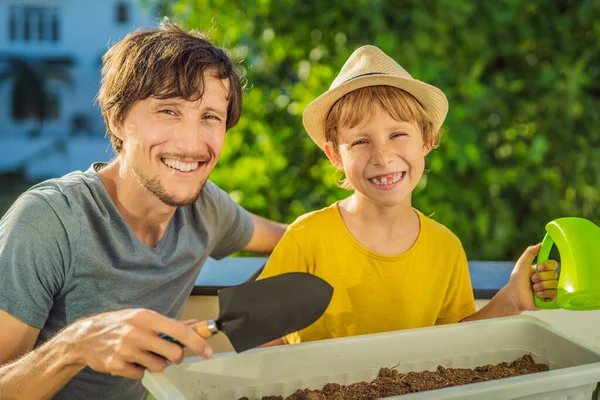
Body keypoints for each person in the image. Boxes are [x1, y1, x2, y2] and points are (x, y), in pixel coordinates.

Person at [0, 20, 285, 400]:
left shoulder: (206, 209)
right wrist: (74, 347)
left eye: (210, 117)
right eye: (168, 111)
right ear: (117, 119)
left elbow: (294, 237)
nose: (191, 143)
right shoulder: (49, 221)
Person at [258, 45, 558, 345]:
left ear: (427, 139)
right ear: (334, 155)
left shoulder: (446, 249)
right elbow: (259, 336)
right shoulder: (306, 238)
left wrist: (512, 300)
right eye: (361, 141)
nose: (383, 156)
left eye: (397, 134)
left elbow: (455, 347)